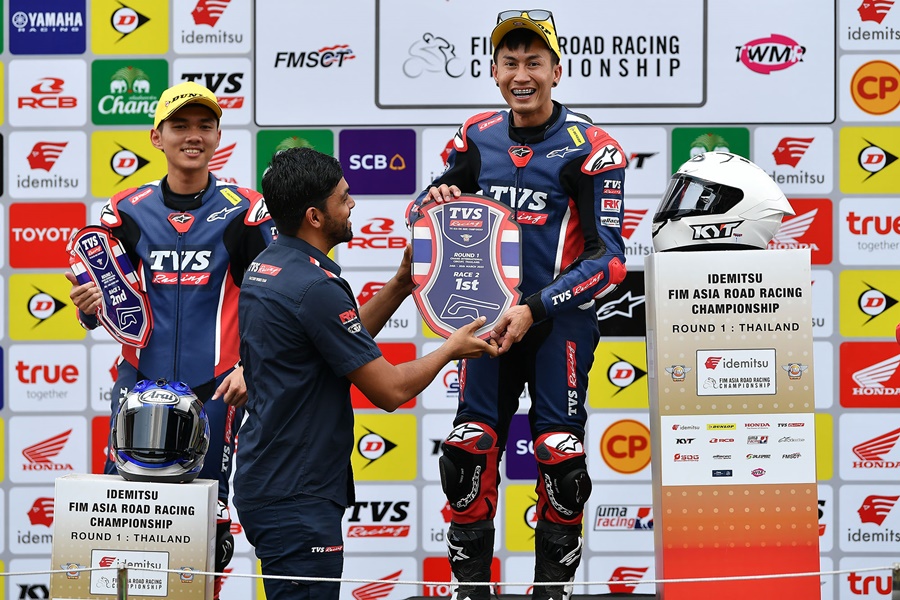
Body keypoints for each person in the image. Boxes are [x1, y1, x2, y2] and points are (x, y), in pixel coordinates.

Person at [407, 10, 628, 600]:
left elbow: (609, 259)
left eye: (534, 62)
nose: (522, 75)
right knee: (468, 451)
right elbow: (423, 216)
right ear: (494, 72)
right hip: (485, 320)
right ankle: (471, 591)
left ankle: (551, 592)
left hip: (557, 323)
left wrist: (534, 307)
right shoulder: (476, 136)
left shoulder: (593, 149)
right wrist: (433, 202)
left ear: (557, 71)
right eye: (510, 63)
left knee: (560, 459)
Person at [234, 147, 498, 600]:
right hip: (297, 494)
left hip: (275, 479)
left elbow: (335, 343)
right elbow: (390, 391)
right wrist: (450, 350)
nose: (352, 203)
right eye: (343, 197)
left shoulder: (270, 265)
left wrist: (399, 284)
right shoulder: (314, 287)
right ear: (315, 217)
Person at [65, 81, 274, 599]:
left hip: (216, 387)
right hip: (138, 383)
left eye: (204, 125)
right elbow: (103, 299)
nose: (193, 136)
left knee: (208, 527)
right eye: (180, 125)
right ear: (157, 137)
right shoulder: (125, 210)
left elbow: (271, 299)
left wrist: (251, 367)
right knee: (122, 522)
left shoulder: (246, 209)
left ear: (219, 136)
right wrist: (87, 307)